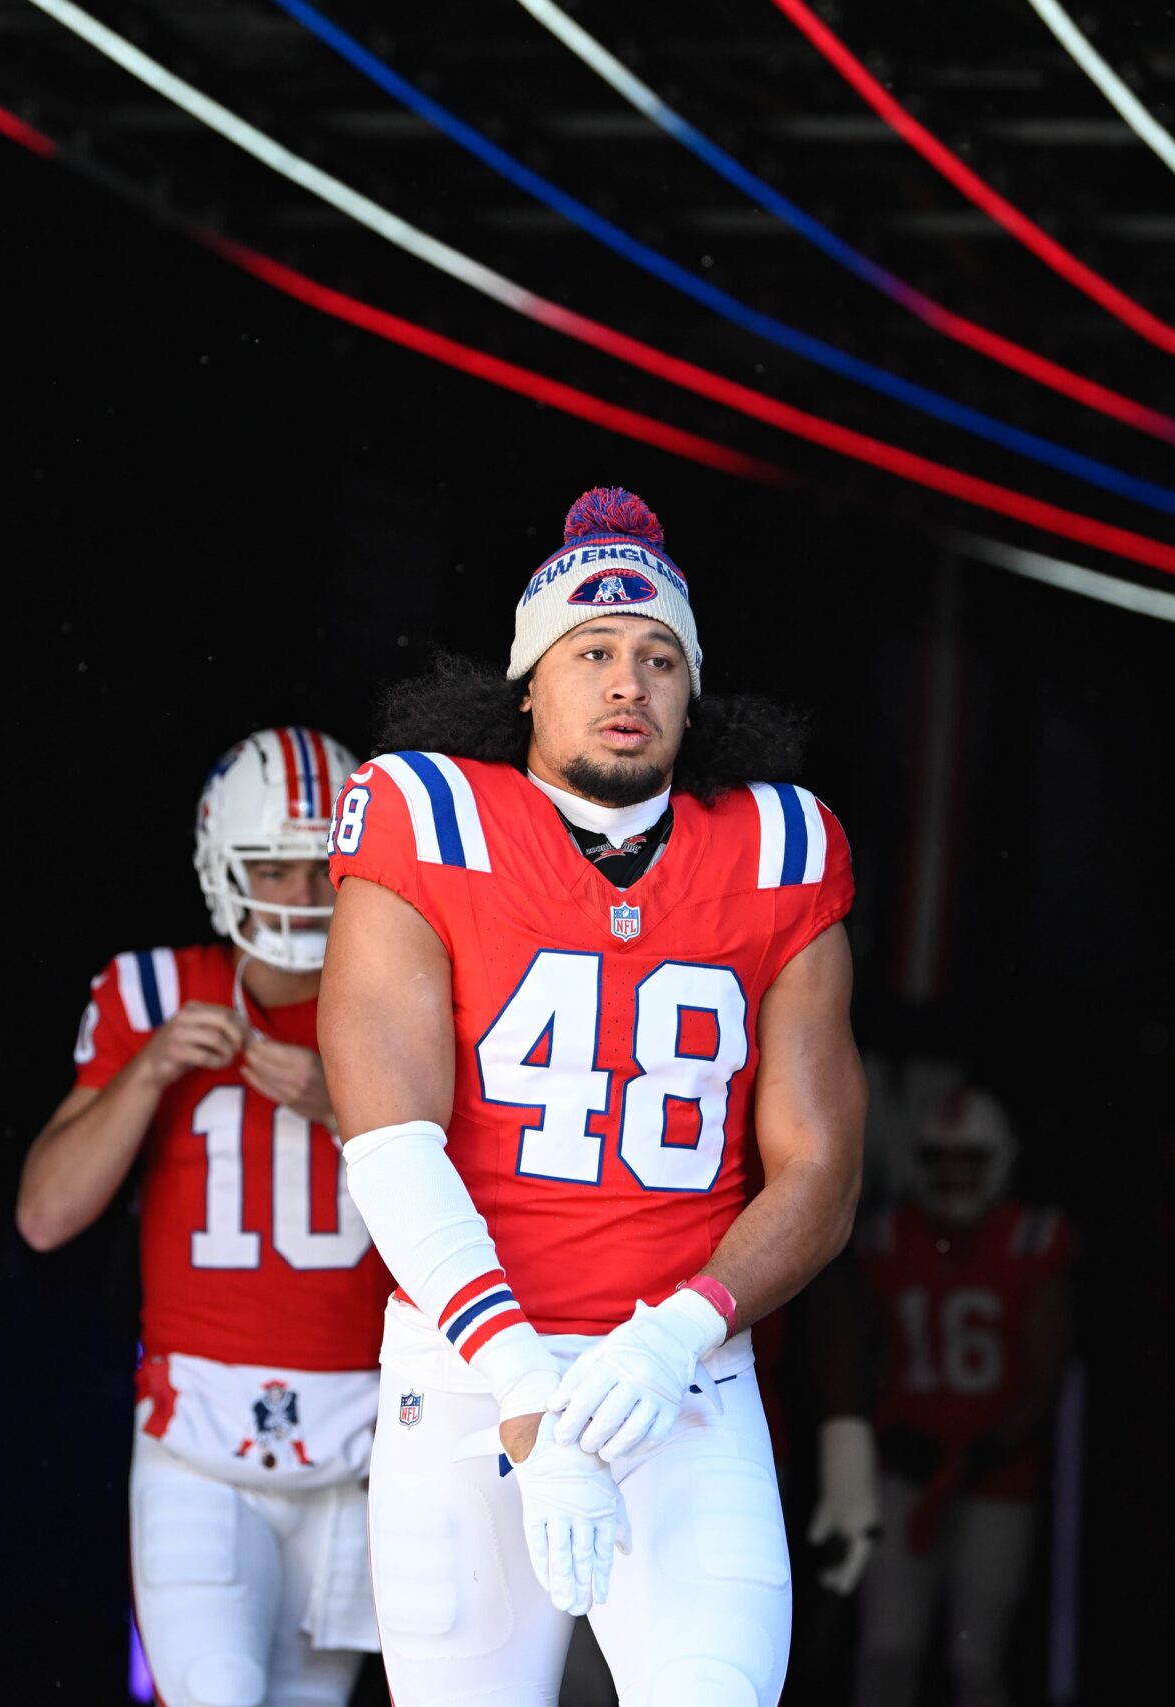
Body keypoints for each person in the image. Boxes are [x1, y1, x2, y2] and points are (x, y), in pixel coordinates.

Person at [316, 487, 867, 1706]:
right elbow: (390, 1140)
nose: (630, 681)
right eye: (596, 651)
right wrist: (522, 1385)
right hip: (468, 1377)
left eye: (661, 658)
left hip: (681, 1382)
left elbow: (821, 1175)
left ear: (692, 688)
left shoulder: (780, 846)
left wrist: (676, 1332)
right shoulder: (424, 813)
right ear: (529, 681)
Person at [16, 727, 391, 1707]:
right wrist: (147, 1073)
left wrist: (348, 1108)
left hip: (366, 1441)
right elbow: (45, 1215)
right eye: (275, 867)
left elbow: (492, 1201)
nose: (303, 898)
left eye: (322, 871)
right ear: (222, 865)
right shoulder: (150, 994)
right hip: (196, 1433)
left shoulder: (405, 1003)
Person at [852, 1088, 1074, 1707]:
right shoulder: (888, 1238)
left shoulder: (1030, 1241)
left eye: (968, 1161)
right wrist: (883, 1431)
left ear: (997, 1161)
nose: (953, 1175)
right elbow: (857, 1350)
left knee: (975, 1658)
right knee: (888, 1648)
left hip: (997, 1475)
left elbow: (1045, 1372)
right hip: (906, 1467)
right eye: (941, 1160)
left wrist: (982, 1452)